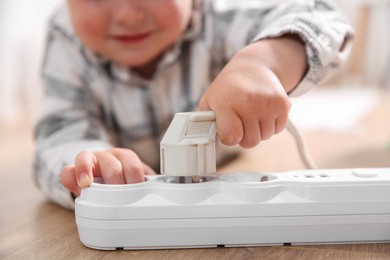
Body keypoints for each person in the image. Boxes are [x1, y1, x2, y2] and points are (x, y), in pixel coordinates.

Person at [34, 0, 354, 209]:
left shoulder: (220, 14)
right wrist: (87, 164)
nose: (128, 15)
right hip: (126, 186)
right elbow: (58, 135)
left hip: (229, 164)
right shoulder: (66, 38)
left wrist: (265, 60)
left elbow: (326, 18)